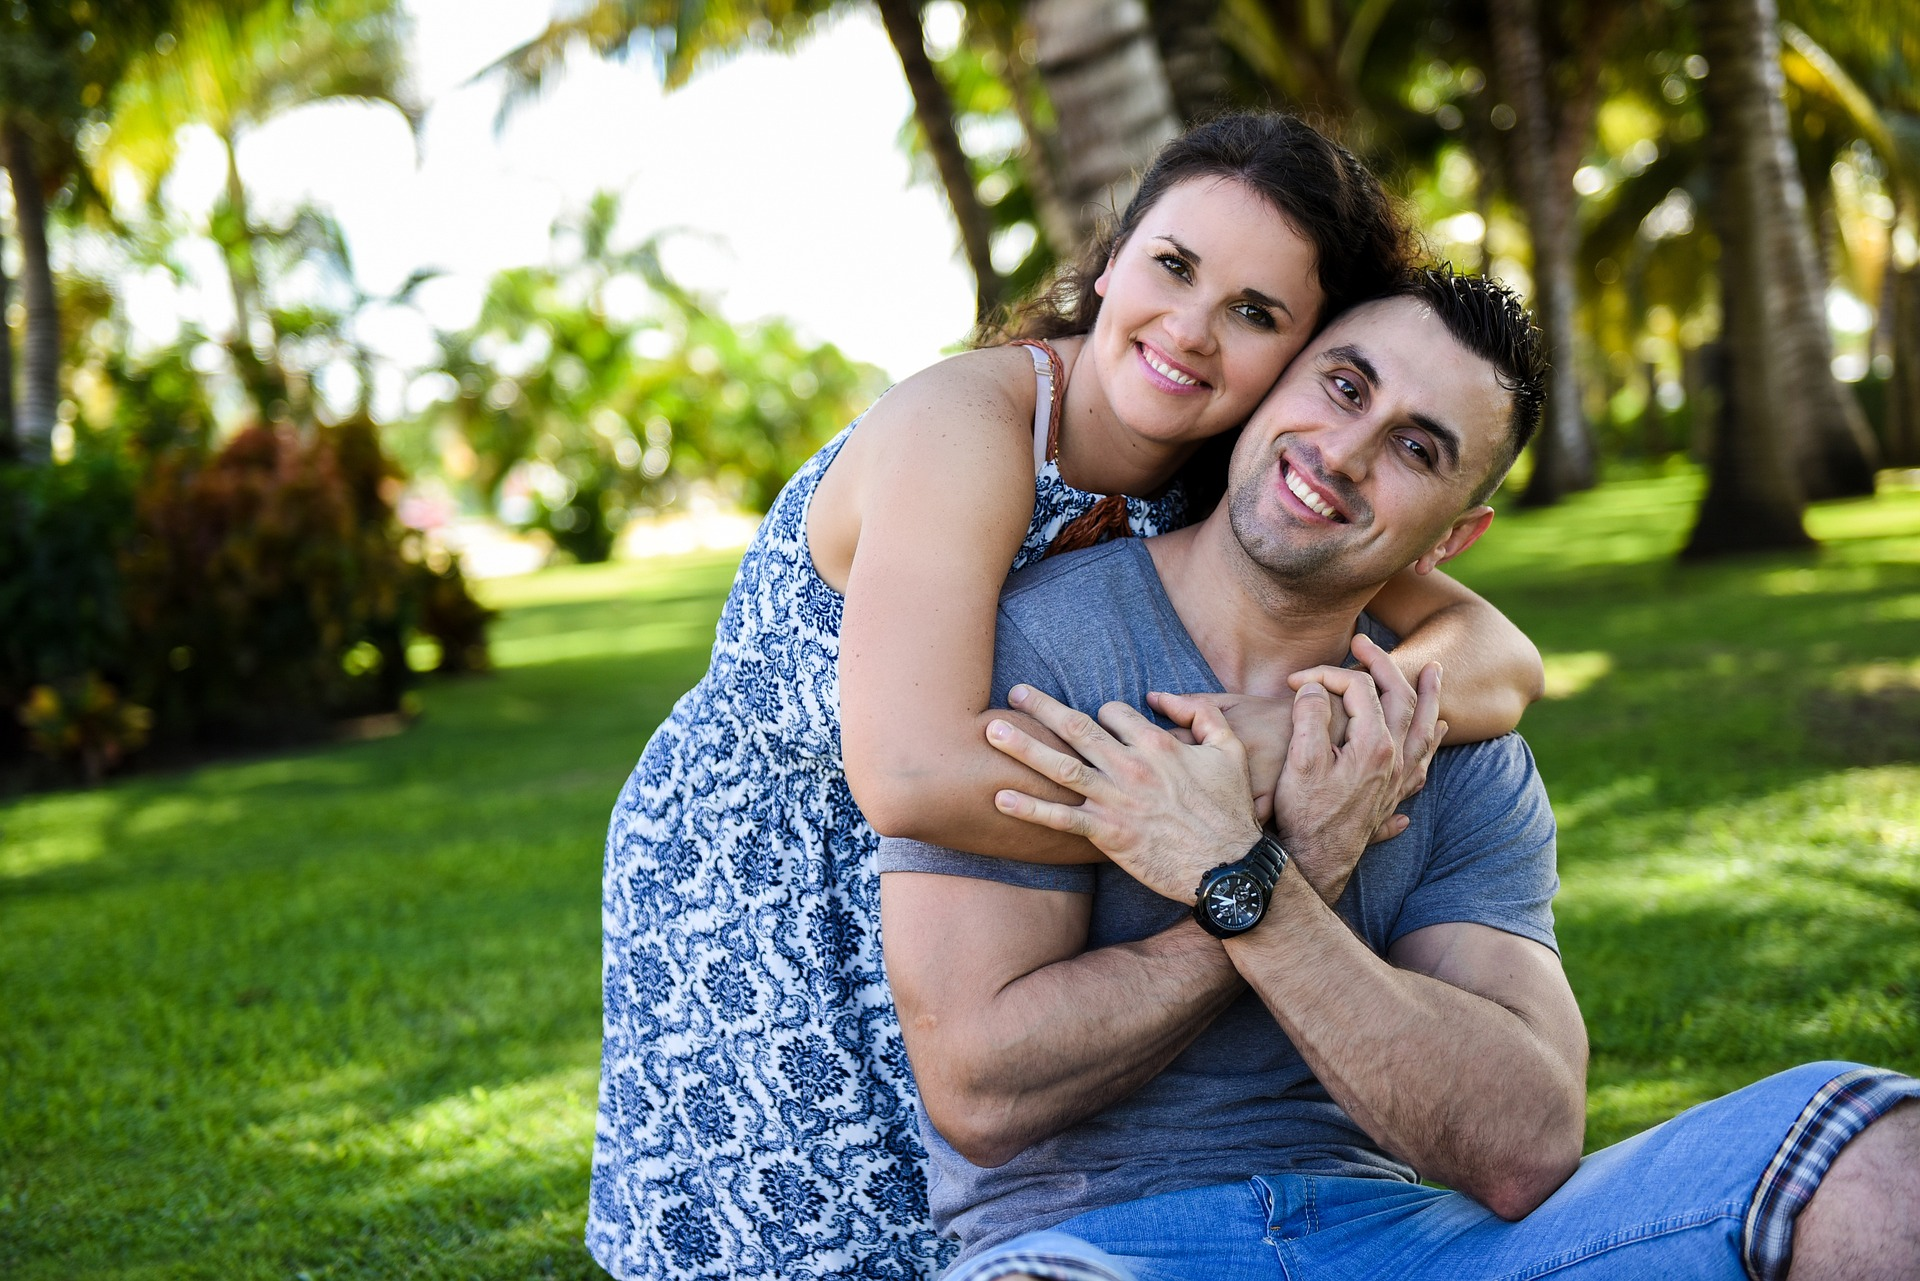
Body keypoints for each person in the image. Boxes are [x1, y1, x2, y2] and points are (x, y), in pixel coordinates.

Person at [589, 115, 1548, 1281]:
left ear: (1295, 359)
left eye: (1256, 314)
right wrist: (1236, 790)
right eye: (1174, 266)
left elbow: (1496, 654)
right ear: (1109, 260)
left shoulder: (1234, 464)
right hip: (766, 878)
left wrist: (1285, 734)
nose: (1191, 330)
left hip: (964, 880)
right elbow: (908, 772)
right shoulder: (974, 425)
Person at [877, 270, 1920, 1281]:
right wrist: (1286, 863)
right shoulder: (1044, 648)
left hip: (1402, 1239)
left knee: (1880, 1157)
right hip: (1093, 1244)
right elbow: (982, 1088)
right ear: (1271, 383)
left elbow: (1527, 1141)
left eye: (1415, 448)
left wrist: (1265, 897)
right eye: (1343, 385)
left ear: (1453, 537)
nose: (1344, 452)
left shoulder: (1444, 730)